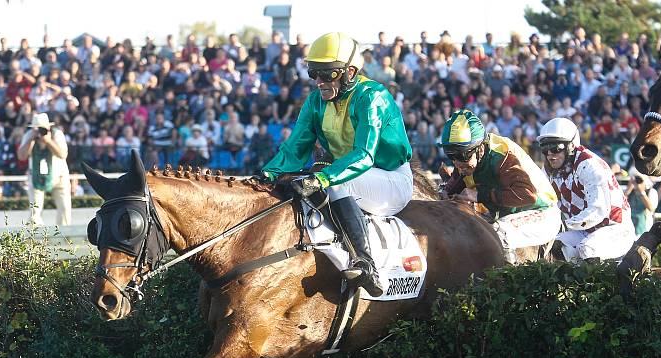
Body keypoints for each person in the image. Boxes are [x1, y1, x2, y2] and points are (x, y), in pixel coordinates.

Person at [262, 32, 414, 296]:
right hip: (349, 179)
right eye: (314, 74)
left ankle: (366, 265)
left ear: (350, 71)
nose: (319, 82)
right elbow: (295, 147)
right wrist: (268, 174)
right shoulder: (314, 102)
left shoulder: (372, 96)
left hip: (391, 179)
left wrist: (324, 178)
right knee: (307, 181)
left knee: (331, 179)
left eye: (327, 74)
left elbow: (364, 155)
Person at [438, 109, 561, 264]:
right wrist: (443, 193)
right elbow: (451, 187)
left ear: (480, 148)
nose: (456, 162)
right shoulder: (467, 161)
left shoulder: (502, 156)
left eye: (462, 155)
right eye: (450, 155)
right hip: (509, 215)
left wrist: (479, 196)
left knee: (498, 232)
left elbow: (527, 195)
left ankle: (506, 281)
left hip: (541, 212)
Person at [537, 117, 635, 262]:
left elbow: (598, 212)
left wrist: (563, 224)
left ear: (570, 146)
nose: (550, 155)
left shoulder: (589, 165)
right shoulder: (548, 170)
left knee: (587, 248)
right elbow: (540, 201)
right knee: (546, 246)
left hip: (614, 229)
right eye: (545, 150)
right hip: (582, 230)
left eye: (555, 148)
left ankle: (598, 285)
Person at [17, 112, 71, 225]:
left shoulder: (57, 135)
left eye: (42, 129)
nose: (40, 132)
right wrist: (31, 140)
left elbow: (62, 154)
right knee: (34, 211)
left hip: (59, 177)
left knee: (64, 209)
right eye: (37, 129)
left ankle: (65, 238)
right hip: (36, 177)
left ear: (49, 127)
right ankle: (36, 239)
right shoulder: (29, 136)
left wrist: (48, 141)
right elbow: (21, 156)